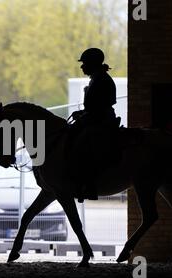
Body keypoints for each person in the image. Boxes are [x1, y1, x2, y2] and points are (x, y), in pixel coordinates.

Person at [69, 48, 120, 202]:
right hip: (96, 118)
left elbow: (100, 107)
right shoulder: (96, 78)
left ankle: (89, 185)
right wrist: (83, 113)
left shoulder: (102, 80)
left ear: (92, 64)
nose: (82, 66)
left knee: (82, 144)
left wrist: (85, 114)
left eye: (84, 63)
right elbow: (94, 106)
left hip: (101, 121)